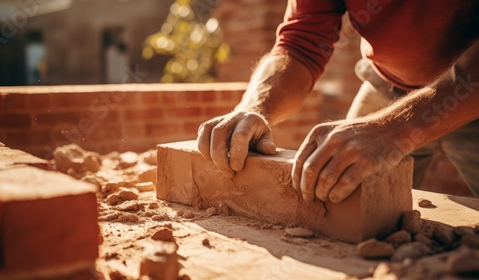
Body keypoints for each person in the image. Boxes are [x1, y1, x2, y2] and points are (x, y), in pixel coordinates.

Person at [197, 1, 479, 202]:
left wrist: (394, 128)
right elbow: (301, 42)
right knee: (338, 200)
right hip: (386, 86)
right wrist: (254, 107)